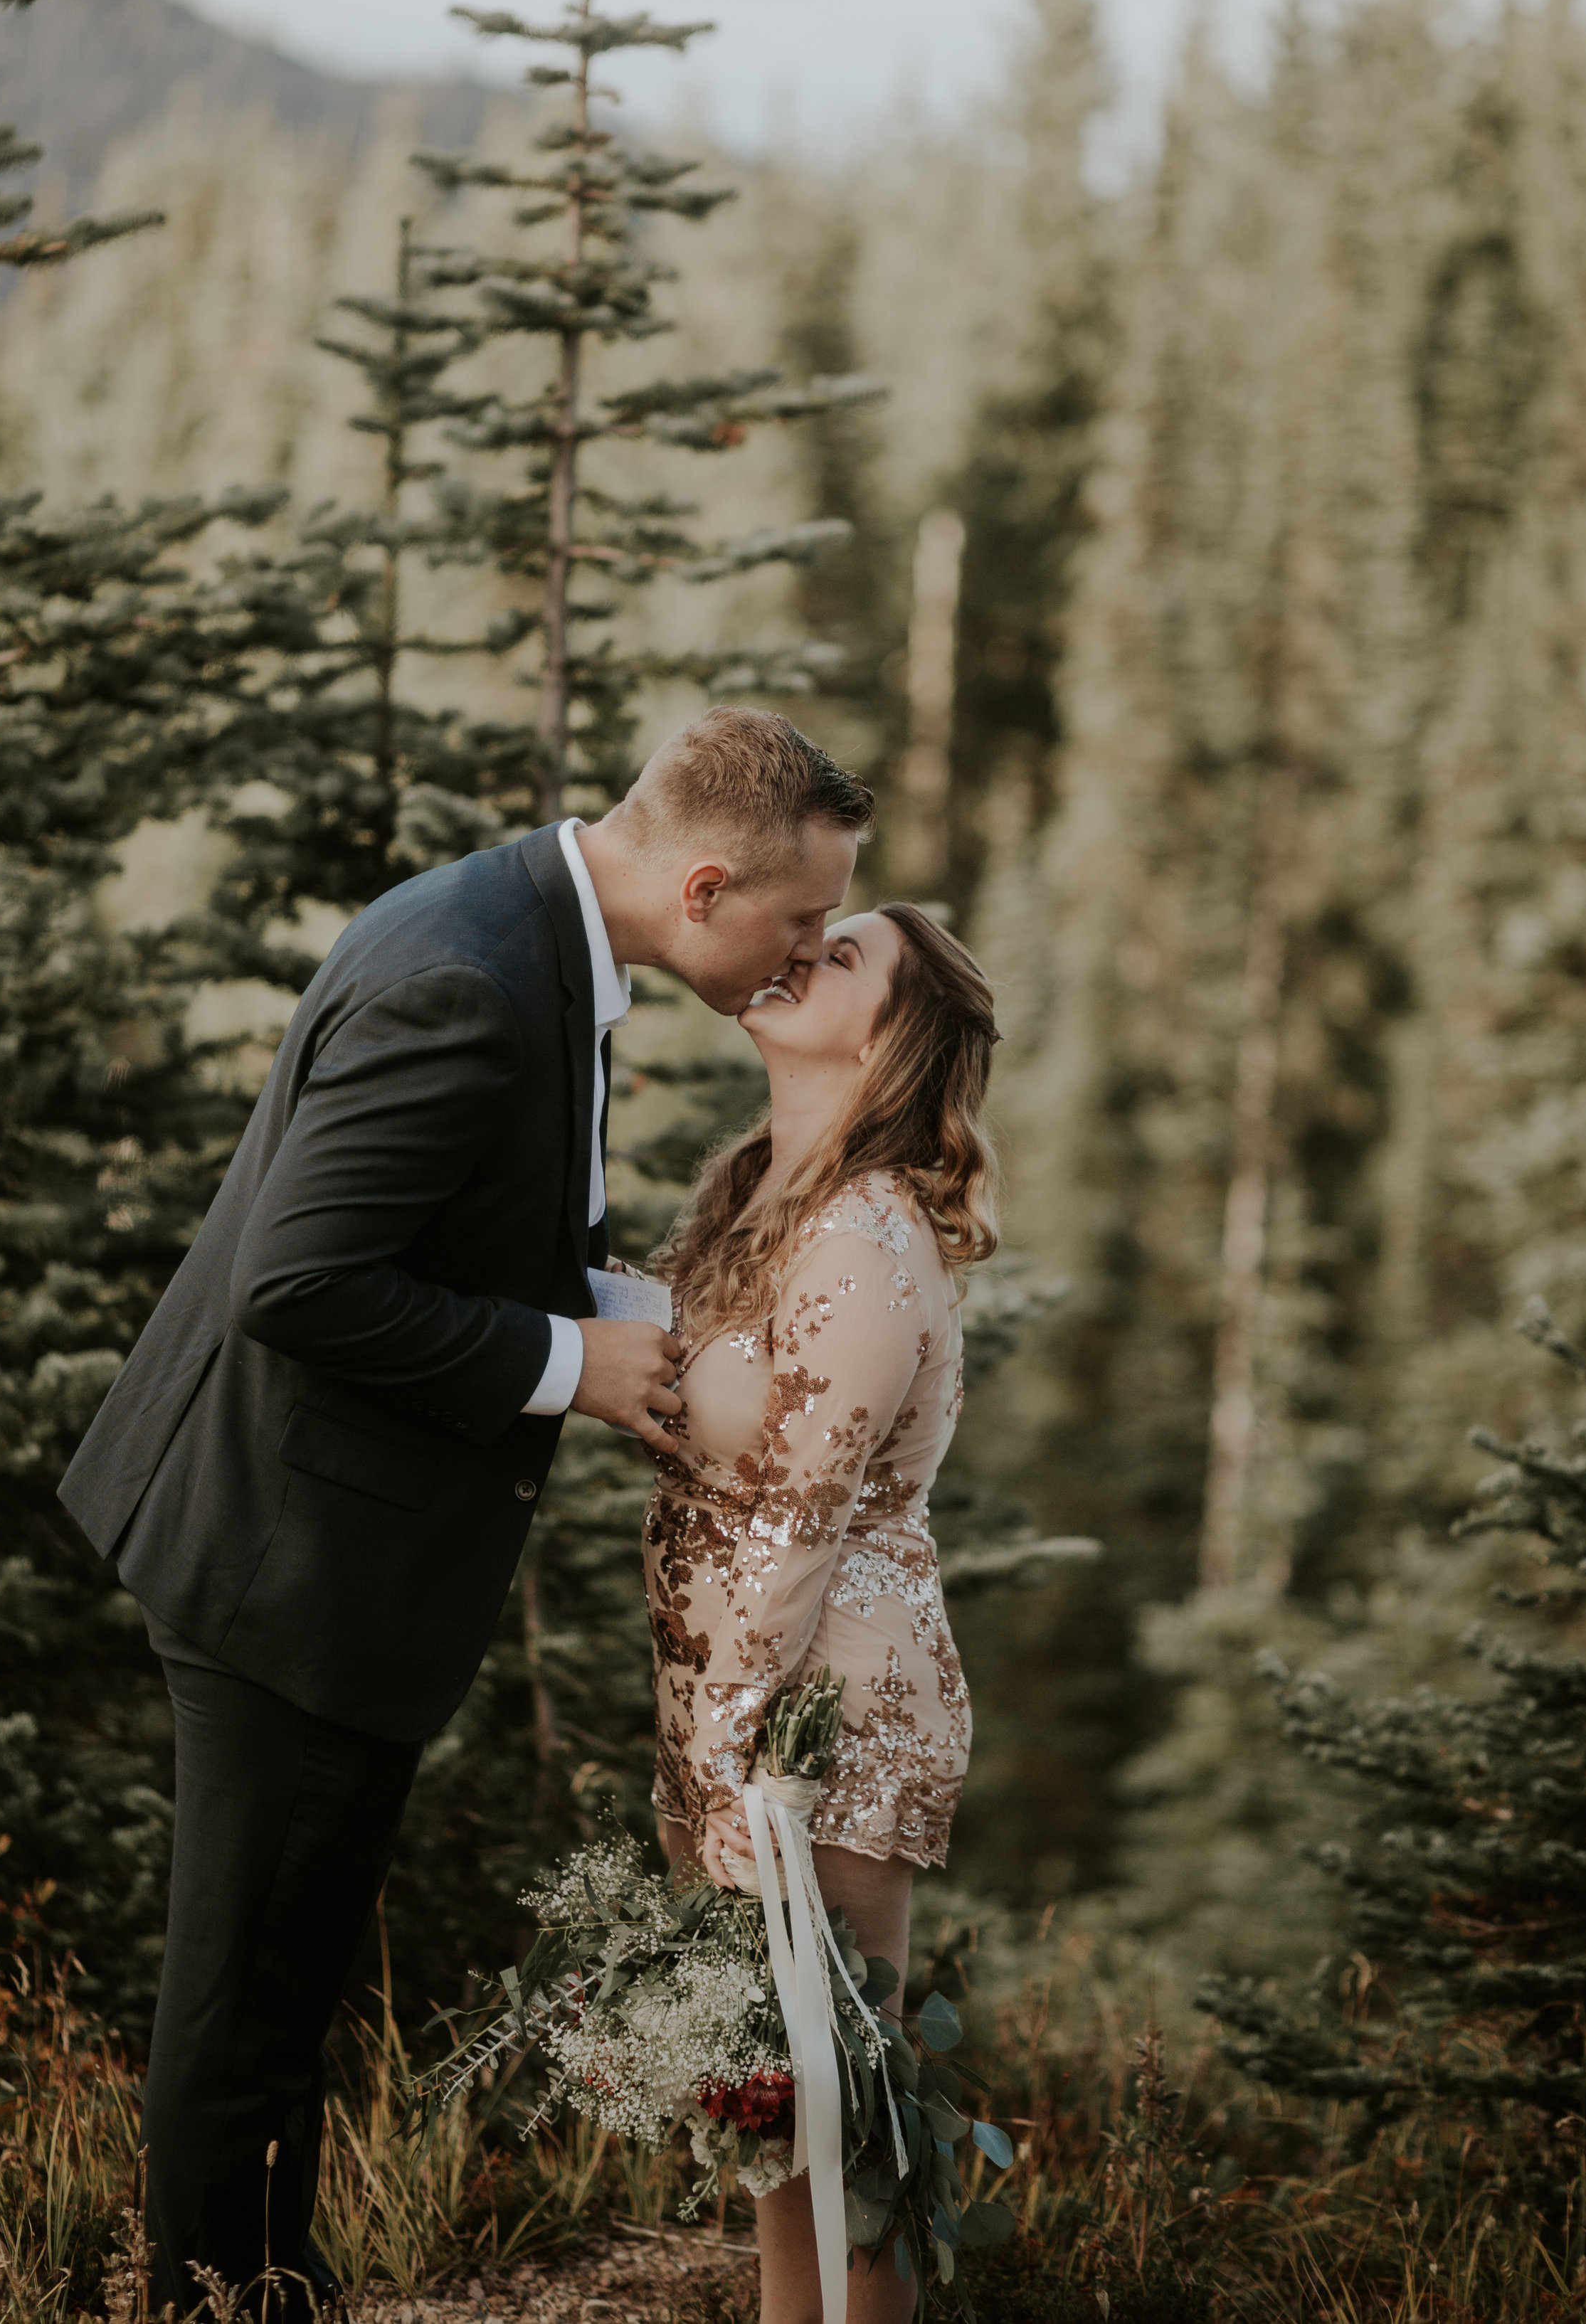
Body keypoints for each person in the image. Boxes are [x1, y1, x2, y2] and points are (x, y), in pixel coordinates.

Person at [56, 707, 874, 2319]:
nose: (805, 954)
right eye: (796, 921)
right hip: (281, 1557)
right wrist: (566, 1361)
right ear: (705, 883)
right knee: (245, 2006)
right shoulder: (477, 983)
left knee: (279, 1982)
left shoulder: (519, 929)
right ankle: (209, 2297)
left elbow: (453, 1223)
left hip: (300, 1538)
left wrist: (631, 1307)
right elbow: (303, 1282)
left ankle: (265, 2285)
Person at [647, 901, 999, 2324]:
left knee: (851, 2116)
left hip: (825, 1717)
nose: (797, 949)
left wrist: (738, 1754)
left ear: (890, 1036)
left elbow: (798, 1509)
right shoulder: (753, 1193)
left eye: (841, 953)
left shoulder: (863, 1232)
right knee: (769, 2116)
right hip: (727, 1698)